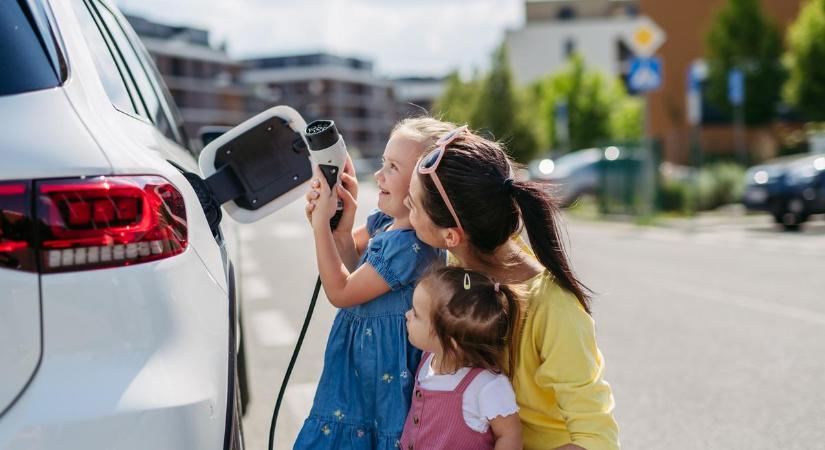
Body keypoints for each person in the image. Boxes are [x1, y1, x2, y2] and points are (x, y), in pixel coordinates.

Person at [404, 125, 620, 450]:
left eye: (414, 206)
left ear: (451, 235)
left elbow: (596, 439)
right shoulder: (467, 253)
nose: (407, 210)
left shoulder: (554, 309)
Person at [295, 118, 452, 449]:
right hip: (363, 370)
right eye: (383, 163)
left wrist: (321, 225)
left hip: (384, 377)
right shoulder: (386, 223)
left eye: (392, 168)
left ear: (425, 186)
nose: (379, 175)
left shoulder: (412, 246)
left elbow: (341, 291)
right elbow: (354, 271)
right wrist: (341, 228)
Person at [399, 266, 523, 450]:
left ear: (449, 340)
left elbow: (510, 435)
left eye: (416, 314)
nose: (407, 315)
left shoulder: (486, 386)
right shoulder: (428, 358)